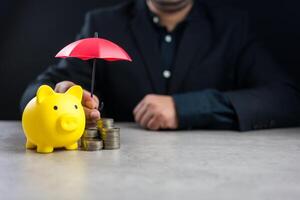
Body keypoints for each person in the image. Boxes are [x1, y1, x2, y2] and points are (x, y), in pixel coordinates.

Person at [20, 0, 300, 131]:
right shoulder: (103, 24)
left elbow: (286, 97)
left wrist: (187, 108)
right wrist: (58, 97)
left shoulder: (232, 27)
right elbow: (34, 92)